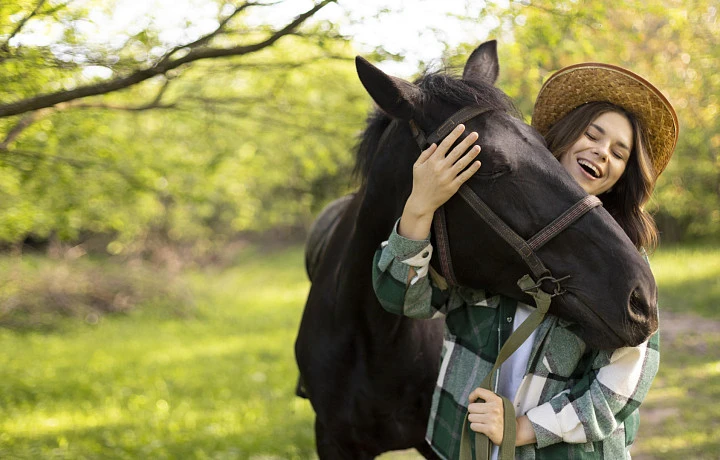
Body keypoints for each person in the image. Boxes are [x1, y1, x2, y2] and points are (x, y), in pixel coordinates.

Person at [372, 63, 679, 459]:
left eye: (619, 153)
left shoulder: (623, 262)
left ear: (622, 174)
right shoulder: (495, 227)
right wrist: (420, 207)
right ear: (566, 137)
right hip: (462, 445)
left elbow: (620, 385)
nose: (602, 152)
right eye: (592, 134)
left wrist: (522, 428)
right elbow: (408, 301)